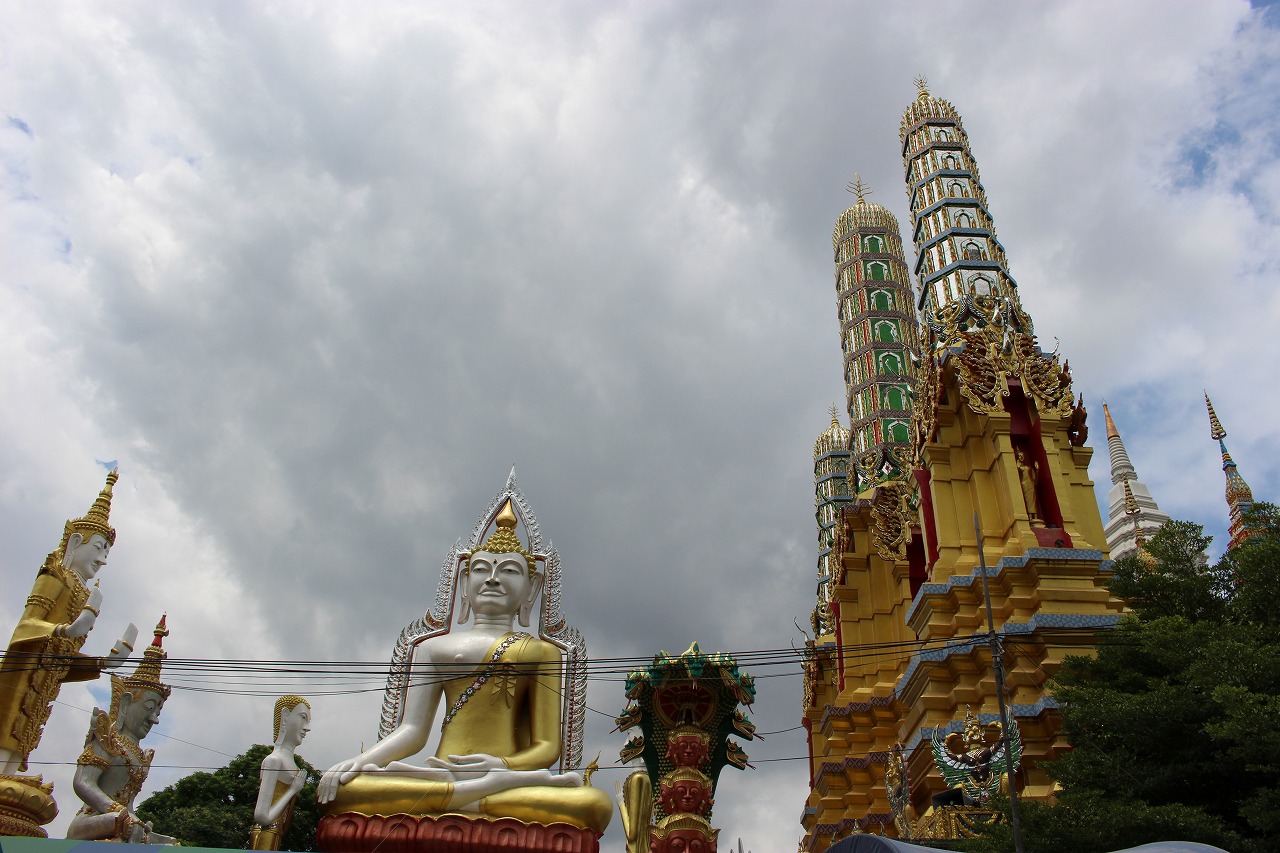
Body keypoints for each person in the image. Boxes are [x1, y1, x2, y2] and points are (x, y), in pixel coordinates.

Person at [318, 499, 611, 832]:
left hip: (505, 775)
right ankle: (469, 795)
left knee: (593, 804)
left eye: (509, 571)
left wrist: (501, 765)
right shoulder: (433, 648)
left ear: (532, 590)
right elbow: (412, 732)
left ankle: (466, 793)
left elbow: (547, 747)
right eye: (482, 569)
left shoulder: (541, 652)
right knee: (346, 790)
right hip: (442, 771)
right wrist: (360, 762)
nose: (493, 579)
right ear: (463, 582)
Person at [0, 470, 137, 776]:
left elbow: (63, 662)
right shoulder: (55, 575)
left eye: (106, 552)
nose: (102, 560)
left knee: (15, 763)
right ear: (75, 543)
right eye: (98, 548)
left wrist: (102, 663)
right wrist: (65, 629)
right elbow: (26, 626)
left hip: (40, 692)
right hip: (17, 682)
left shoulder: (84, 594)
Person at [66, 618, 176, 844]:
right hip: (93, 820)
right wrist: (119, 812)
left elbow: (130, 804)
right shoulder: (108, 739)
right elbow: (83, 783)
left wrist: (138, 823)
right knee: (124, 825)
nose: (154, 719)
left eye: (158, 711)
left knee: (169, 843)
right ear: (126, 704)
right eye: (149, 708)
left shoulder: (140, 756)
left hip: (125, 820)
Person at [249, 696, 312, 850]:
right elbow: (262, 816)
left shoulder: (290, 763)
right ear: (285, 716)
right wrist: (293, 790)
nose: (307, 728)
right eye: (303, 718)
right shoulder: (274, 760)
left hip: (277, 834)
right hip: (265, 835)